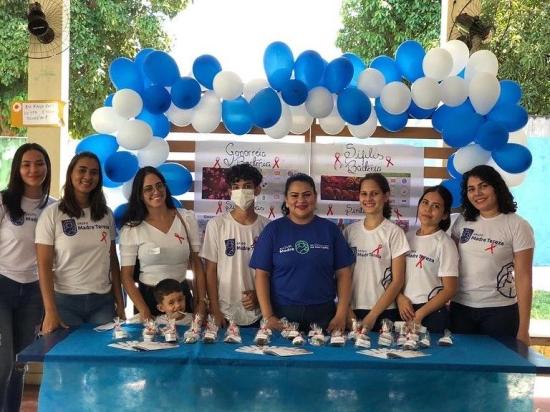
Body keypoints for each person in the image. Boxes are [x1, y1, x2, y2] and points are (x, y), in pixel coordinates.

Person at [250, 173, 354, 332]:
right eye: (294, 195)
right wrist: (268, 316)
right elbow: (261, 274)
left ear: (315, 197)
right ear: (286, 199)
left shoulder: (330, 230)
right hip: (283, 314)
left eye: (307, 195)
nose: (301, 200)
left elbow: (344, 274)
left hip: (324, 315)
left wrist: (340, 314)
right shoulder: (273, 230)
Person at [36, 152, 125, 333]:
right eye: (82, 170)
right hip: (65, 302)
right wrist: (50, 311)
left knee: (101, 358)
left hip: (102, 302)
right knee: (65, 359)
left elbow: (112, 261)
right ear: (71, 174)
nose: (87, 177)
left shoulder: (106, 214)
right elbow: (43, 265)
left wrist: (120, 303)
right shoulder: (52, 214)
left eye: (94, 172)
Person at [450, 165, 534, 345]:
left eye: (483, 186)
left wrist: (524, 328)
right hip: (461, 309)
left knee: (496, 371)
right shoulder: (463, 220)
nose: (477, 193)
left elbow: (524, 278)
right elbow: (450, 264)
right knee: (462, 369)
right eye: (471, 189)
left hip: (500, 312)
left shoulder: (518, 225)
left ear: (496, 187)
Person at [0, 143, 53, 412]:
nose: (34, 169)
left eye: (39, 163)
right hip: (3, 287)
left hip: (35, 293)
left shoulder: (53, 207)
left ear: (47, 167)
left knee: (20, 362)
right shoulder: (4, 201)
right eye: (27, 164)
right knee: (4, 362)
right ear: (17, 169)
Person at [119, 166, 206, 321]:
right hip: (147, 301)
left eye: (159, 185)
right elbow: (126, 276)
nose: (156, 191)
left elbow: (197, 264)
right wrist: (144, 310)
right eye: (148, 189)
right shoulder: (132, 229)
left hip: (181, 299)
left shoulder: (186, 219)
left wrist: (201, 301)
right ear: (140, 194)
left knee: (186, 343)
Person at [200, 163, 269, 327]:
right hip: (224, 312)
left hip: (258, 313)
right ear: (230, 191)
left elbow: (271, 272)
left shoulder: (268, 227)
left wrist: (259, 297)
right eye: (236, 187)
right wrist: (215, 309)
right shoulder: (216, 225)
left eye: (247, 186)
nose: (241, 192)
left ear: (257, 190)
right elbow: (210, 270)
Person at [343, 173, 409, 332]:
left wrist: (372, 316)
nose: (368, 198)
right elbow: (341, 277)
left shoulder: (394, 232)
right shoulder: (349, 232)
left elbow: (397, 281)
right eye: (364, 194)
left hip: (385, 311)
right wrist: (347, 311)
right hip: (352, 310)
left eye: (375, 193)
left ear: (386, 196)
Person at [397, 185, 458, 332]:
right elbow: (395, 277)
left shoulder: (445, 243)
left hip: (431, 313)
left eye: (435, 206)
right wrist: (399, 298)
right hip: (404, 310)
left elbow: (450, 289)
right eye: (425, 203)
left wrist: (420, 314)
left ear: (444, 215)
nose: (428, 209)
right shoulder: (406, 237)